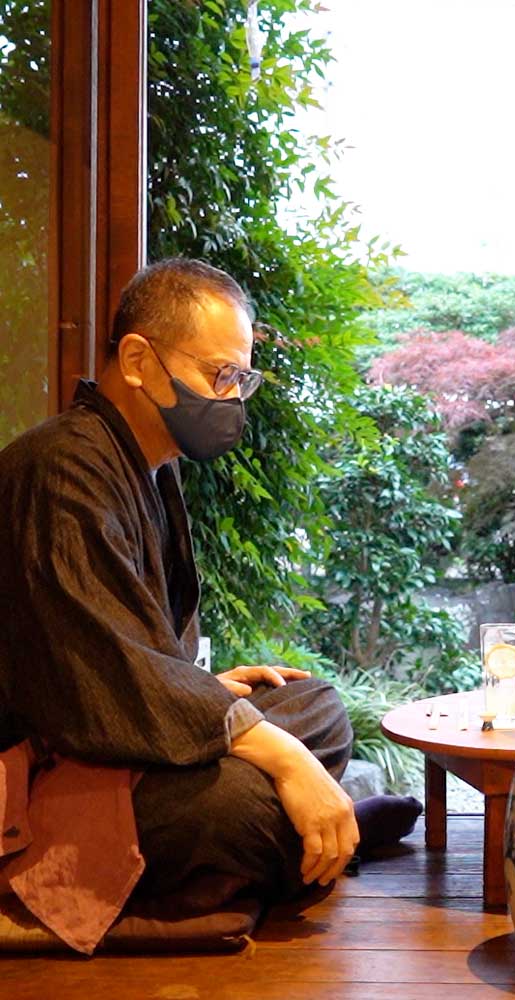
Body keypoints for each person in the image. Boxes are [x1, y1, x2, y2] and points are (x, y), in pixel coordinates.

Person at [0, 258, 419, 949]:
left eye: (240, 379)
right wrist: (281, 759)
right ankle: (320, 835)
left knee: (316, 704)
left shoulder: (142, 467)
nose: (231, 400)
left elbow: (128, 654)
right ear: (137, 359)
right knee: (245, 806)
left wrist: (204, 694)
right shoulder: (61, 469)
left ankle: (314, 832)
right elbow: (94, 670)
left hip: (114, 730)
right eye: (217, 376)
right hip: (45, 774)